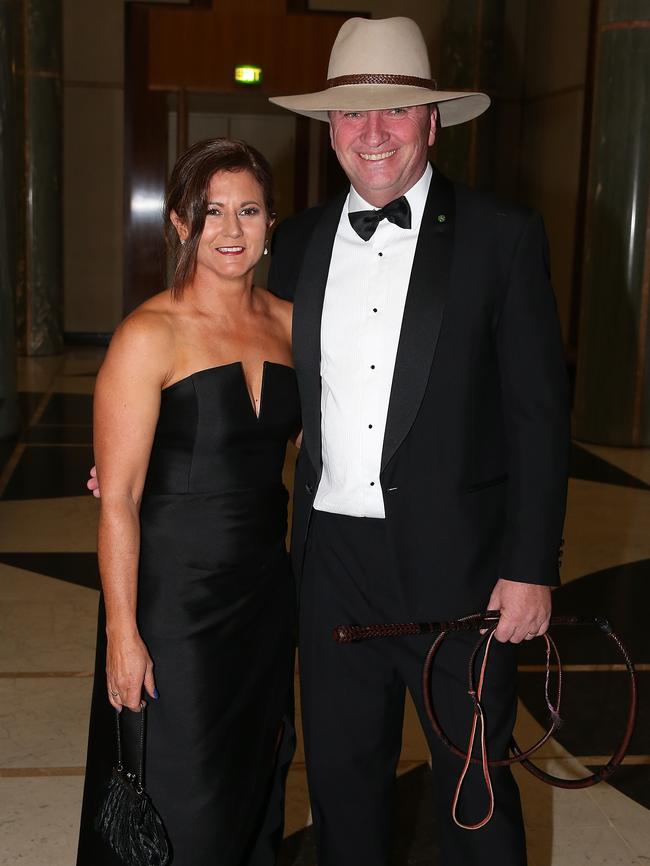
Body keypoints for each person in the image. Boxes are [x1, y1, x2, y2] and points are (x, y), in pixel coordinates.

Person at [265, 16, 570, 866]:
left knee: (475, 802)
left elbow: (539, 417)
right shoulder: (295, 244)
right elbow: (259, 389)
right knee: (342, 794)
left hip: (463, 578)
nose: (372, 134)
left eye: (394, 113)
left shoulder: (501, 238)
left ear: (434, 120)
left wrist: (532, 565)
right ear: (329, 128)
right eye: (352, 115)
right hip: (332, 575)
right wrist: (147, 455)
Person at [77, 138, 299, 866]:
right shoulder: (148, 334)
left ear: (272, 222)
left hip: (264, 601)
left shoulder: (296, 326)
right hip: (175, 608)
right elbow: (120, 499)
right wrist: (121, 631)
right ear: (179, 223)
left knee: (253, 786)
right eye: (209, 213)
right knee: (180, 801)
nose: (230, 231)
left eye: (248, 210)